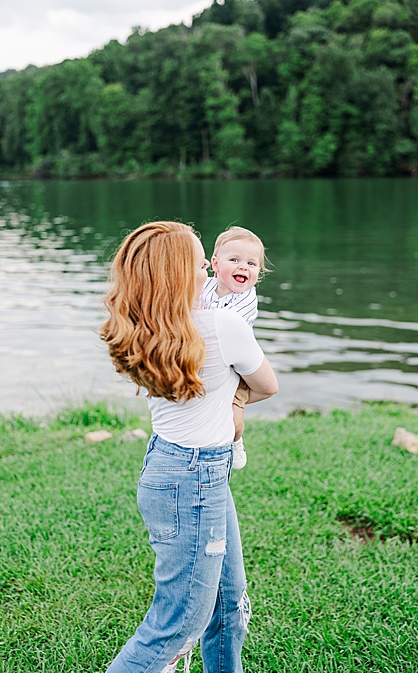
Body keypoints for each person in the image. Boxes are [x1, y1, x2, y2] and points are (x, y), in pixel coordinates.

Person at [100, 221, 278, 673]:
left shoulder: (148, 326)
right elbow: (268, 386)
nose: (207, 268)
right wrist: (237, 398)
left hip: (176, 468)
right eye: (201, 261)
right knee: (174, 628)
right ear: (181, 273)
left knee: (228, 605)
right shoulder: (222, 322)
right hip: (195, 478)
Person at [199, 226, 268, 470]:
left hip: (234, 367)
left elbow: (226, 327)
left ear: (258, 273)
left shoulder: (247, 298)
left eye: (252, 263)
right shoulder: (203, 286)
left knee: (234, 416)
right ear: (215, 264)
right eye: (235, 260)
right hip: (203, 358)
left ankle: (237, 441)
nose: (244, 267)